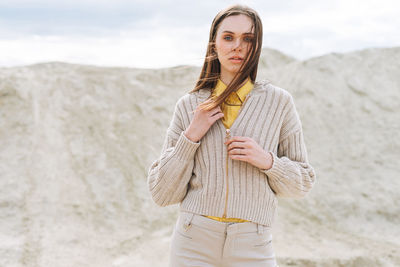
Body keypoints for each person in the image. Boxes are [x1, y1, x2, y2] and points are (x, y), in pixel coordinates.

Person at [147, 4, 316, 267]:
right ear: (214, 45)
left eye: (247, 39)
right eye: (228, 37)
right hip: (193, 243)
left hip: (254, 244)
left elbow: (302, 183)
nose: (237, 46)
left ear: (256, 46)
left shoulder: (279, 103)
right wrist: (191, 136)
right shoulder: (189, 106)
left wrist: (267, 161)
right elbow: (162, 193)